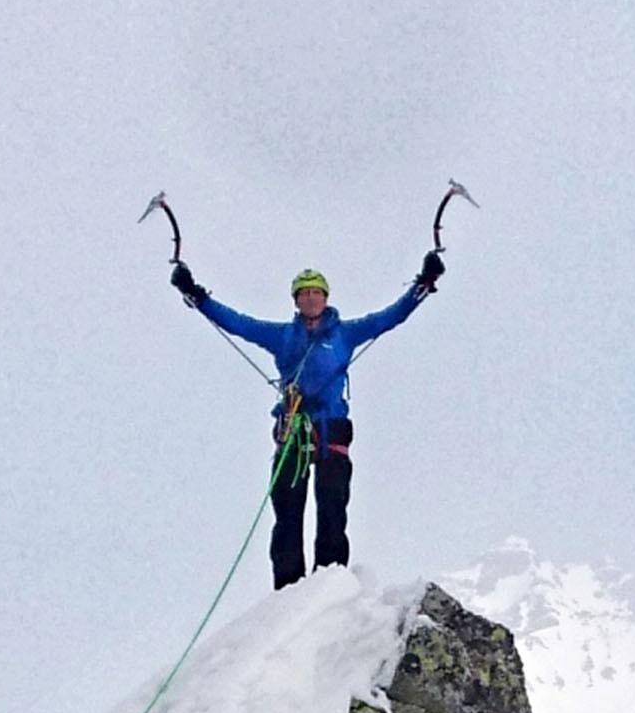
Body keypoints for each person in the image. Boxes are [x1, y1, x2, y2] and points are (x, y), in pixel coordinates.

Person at [170, 250, 442, 587]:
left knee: (332, 506)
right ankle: (288, 588)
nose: (310, 298)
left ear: (325, 298)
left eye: (316, 292)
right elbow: (237, 322)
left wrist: (424, 283)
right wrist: (195, 295)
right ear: (296, 301)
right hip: (293, 428)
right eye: (304, 293)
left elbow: (391, 317)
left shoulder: (345, 333)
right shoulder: (282, 336)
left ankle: (329, 583)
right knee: (287, 512)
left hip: (332, 428)